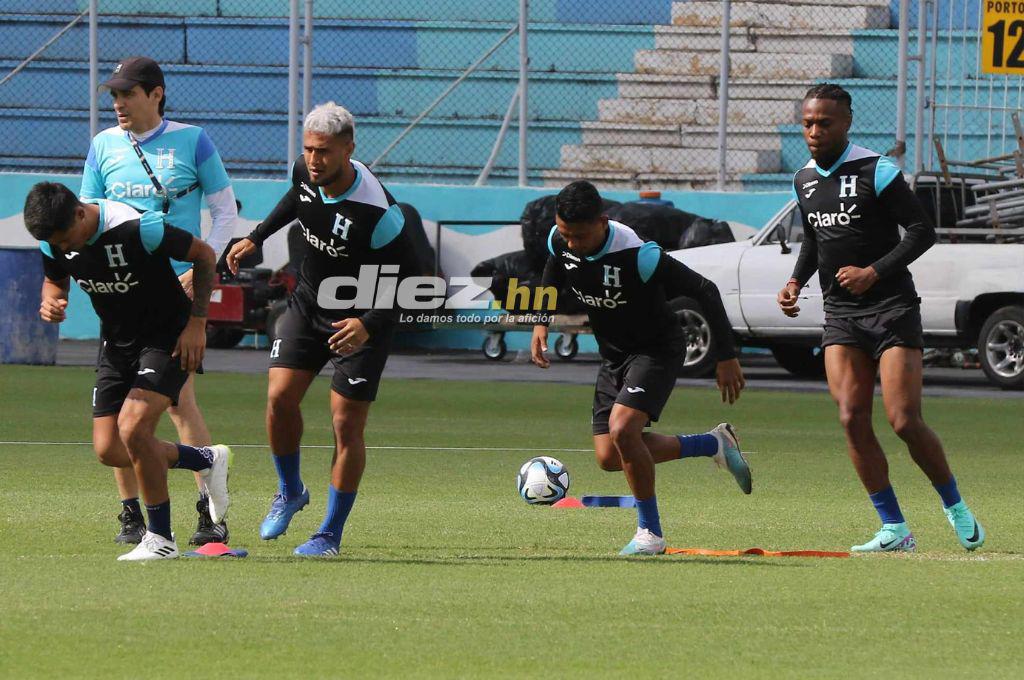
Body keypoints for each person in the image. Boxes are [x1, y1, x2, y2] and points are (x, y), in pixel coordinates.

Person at [778, 83, 984, 553]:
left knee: (904, 420)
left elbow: (921, 231)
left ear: (846, 122)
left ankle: (955, 506)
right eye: (807, 122)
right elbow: (813, 239)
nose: (813, 131)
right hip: (842, 316)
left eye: (824, 123)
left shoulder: (878, 170)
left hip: (892, 310)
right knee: (851, 416)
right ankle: (894, 528)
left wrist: (874, 272)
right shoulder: (804, 179)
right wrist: (795, 281)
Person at [226, 102, 417, 557]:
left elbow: (413, 284)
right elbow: (297, 197)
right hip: (309, 303)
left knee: (345, 425)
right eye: (309, 150)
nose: (314, 160)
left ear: (349, 148)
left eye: (325, 152)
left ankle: (329, 534)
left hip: (361, 320)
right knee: (278, 398)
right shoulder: (305, 171)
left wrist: (368, 324)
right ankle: (290, 490)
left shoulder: (379, 214)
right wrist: (258, 235)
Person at [530, 180, 751, 556]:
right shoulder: (560, 238)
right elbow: (553, 266)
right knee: (609, 456)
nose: (572, 244)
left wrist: (726, 356)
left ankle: (650, 533)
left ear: (602, 221)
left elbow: (706, 290)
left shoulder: (638, 255)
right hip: (614, 355)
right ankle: (713, 443)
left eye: (580, 236)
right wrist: (541, 320)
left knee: (623, 429)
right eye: (566, 234)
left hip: (656, 350)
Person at [24, 182, 231, 561]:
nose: (65, 248)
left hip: (167, 336)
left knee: (134, 429)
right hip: (117, 343)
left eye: (67, 239)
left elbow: (203, 255)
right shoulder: (53, 240)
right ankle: (205, 459)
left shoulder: (139, 228)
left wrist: (197, 324)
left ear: (80, 214)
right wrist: (51, 301)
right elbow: (55, 281)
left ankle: (160, 538)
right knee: (109, 450)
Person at [81, 56, 238, 546]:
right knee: (126, 407)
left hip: (176, 293)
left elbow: (224, 211)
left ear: (156, 94)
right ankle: (133, 511)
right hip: (124, 295)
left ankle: (208, 510)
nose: (118, 103)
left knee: (176, 404)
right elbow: (89, 213)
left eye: (128, 94)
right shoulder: (103, 145)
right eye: (114, 95)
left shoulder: (193, 140)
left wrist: (198, 273)